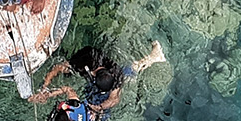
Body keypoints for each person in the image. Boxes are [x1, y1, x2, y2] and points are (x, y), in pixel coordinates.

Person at [30, 42, 167, 110]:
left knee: (129, 71)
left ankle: (152, 57)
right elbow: (57, 68)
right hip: (86, 55)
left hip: (107, 68)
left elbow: (114, 99)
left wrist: (99, 108)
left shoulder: (116, 73)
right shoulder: (81, 64)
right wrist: (45, 87)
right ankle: (152, 58)